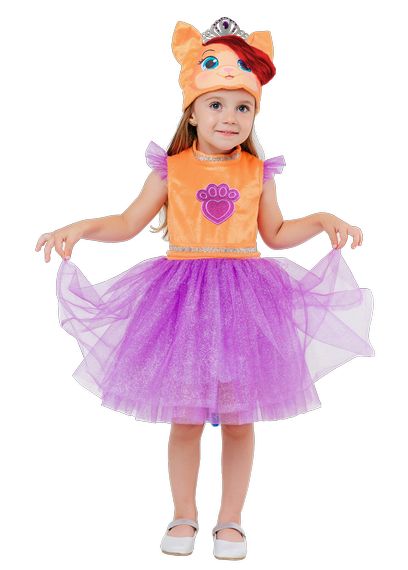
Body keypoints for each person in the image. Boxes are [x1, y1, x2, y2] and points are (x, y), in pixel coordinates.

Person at [35, 17, 375, 561]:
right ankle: (183, 514)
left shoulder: (258, 172)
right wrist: (81, 227)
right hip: (181, 303)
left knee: (239, 421)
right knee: (186, 418)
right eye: (216, 104)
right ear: (191, 112)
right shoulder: (170, 170)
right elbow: (126, 223)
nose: (230, 117)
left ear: (254, 115)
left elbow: (275, 234)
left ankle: (231, 520)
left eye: (243, 107)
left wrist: (321, 220)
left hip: (246, 304)